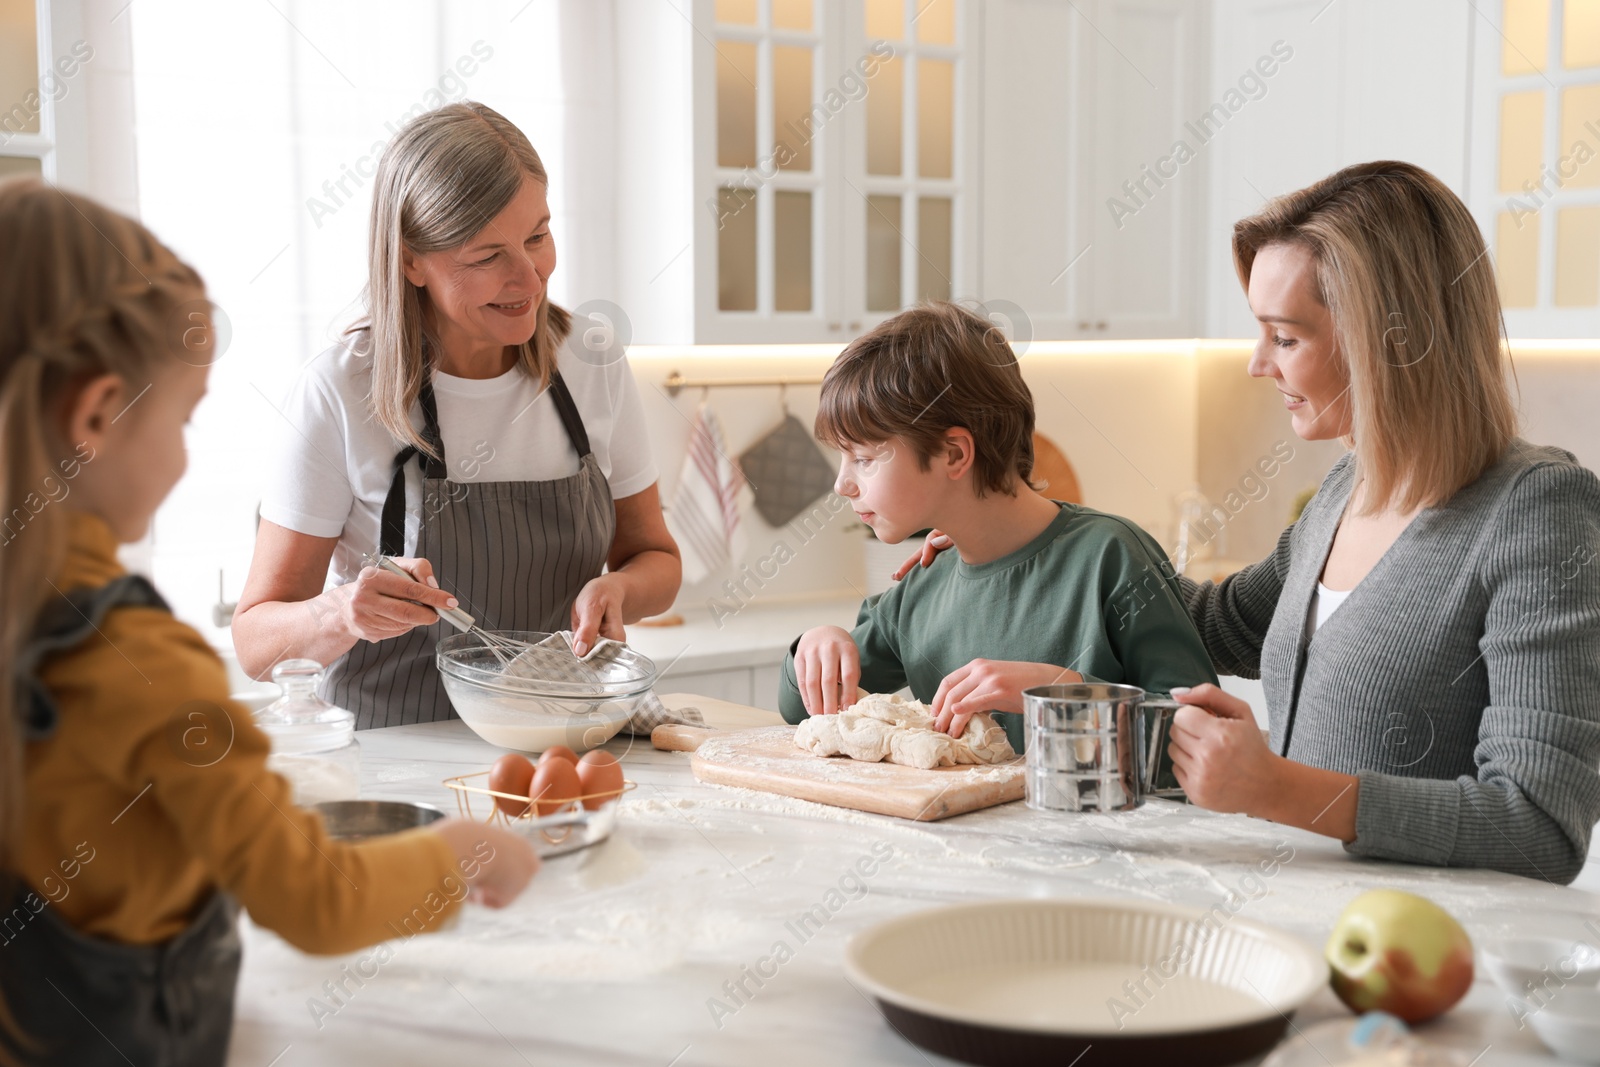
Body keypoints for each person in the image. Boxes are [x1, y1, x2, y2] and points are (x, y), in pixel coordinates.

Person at [898, 162, 1600, 884]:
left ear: (1392, 340)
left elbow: (1541, 824)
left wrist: (1275, 787)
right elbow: (1208, 620)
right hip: (1306, 917)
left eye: (1285, 337)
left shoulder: (1537, 512)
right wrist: (1027, 537)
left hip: (1436, 957)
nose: (1258, 365)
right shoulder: (1345, 491)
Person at [0, 179, 537, 1066]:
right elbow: (315, 900)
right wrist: (463, 855)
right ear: (97, 415)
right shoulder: (138, 659)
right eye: (182, 418)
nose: (182, 453)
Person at [232, 102, 680, 729]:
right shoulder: (339, 389)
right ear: (411, 260)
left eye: (538, 236)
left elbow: (657, 559)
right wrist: (340, 613)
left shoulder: (591, 361)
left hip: (554, 747)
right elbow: (254, 643)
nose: (530, 278)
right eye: (486, 255)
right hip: (388, 767)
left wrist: (621, 590)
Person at [779, 301, 1216, 754]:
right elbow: (800, 706)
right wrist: (815, 647)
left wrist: (1059, 694)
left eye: (865, 459)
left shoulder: (1111, 557)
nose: (841, 483)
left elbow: (1201, 733)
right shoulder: (923, 585)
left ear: (953, 455)